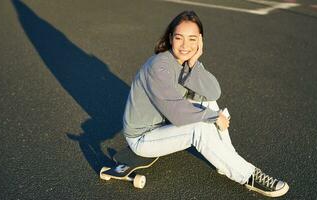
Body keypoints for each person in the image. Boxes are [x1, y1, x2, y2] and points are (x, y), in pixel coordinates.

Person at [121, 10, 289, 197]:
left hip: (164, 123)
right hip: (143, 137)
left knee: (207, 100)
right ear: (170, 38)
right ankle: (247, 175)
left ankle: (228, 160)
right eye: (179, 38)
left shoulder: (186, 61)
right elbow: (175, 111)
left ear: (200, 40)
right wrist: (213, 117)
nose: (185, 45)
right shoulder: (159, 66)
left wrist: (194, 63)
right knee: (199, 128)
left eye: (192, 39)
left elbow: (213, 92)